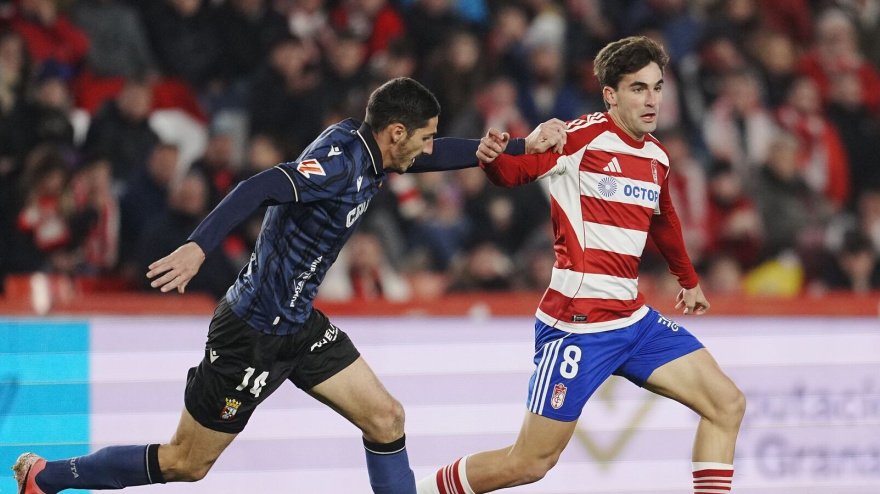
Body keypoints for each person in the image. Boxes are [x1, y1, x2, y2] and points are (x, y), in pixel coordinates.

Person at [11, 77, 567, 494]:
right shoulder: (336, 164)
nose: (427, 149)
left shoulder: (375, 153)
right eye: (422, 139)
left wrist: (516, 148)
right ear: (396, 132)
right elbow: (259, 186)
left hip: (299, 325)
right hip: (250, 332)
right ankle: (47, 477)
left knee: (387, 418)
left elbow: (437, 157)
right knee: (187, 462)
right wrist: (198, 245)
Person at [418, 37, 746, 494]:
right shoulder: (577, 138)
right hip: (578, 324)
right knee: (530, 463)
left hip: (632, 320)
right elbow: (518, 173)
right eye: (638, 89)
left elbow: (664, 217)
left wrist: (688, 281)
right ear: (610, 94)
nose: (652, 99)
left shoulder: (656, 156)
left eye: (657, 87)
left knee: (727, 404)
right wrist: (493, 162)